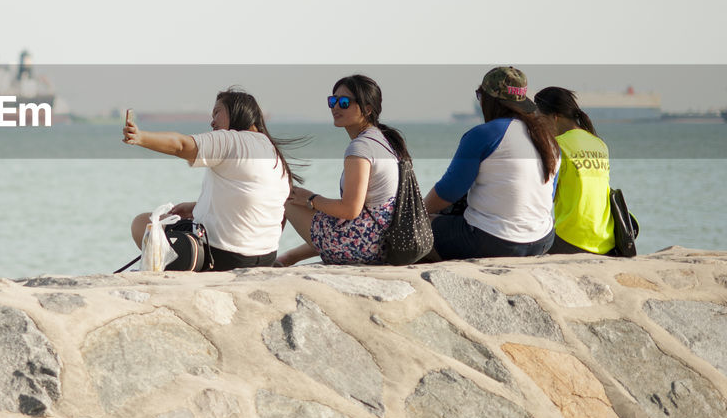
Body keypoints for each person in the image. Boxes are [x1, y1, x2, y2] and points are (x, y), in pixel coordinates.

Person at [124, 88, 297, 270]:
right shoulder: (273, 152)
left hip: (221, 257)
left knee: (143, 223)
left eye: (217, 113)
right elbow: (262, 203)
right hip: (266, 257)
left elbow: (181, 145)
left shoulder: (231, 140)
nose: (212, 122)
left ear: (236, 111)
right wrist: (196, 206)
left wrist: (140, 137)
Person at [424, 66, 558, 259]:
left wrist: (418, 214)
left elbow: (449, 191)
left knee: (417, 230)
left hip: (494, 241)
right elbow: (548, 195)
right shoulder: (549, 140)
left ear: (488, 100)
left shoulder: (484, 134)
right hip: (542, 240)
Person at [276, 74, 408, 266]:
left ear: (367, 109)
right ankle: (287, 257)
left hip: (363, 247)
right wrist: (313, 200)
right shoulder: (383, 140)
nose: (336, 107)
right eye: (333, 100)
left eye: (344, 102)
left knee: (284, 195)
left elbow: (350, 209)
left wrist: (311, 200)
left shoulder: (361, 148)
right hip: (379, 242)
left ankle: (261, 256)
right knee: (325, 216)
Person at [534, 86, 615, 255]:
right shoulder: (600, 144)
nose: (538, 125)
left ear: (554, 117)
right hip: (605, 241)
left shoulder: (556, 145)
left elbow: (543, 197)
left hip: (572, 240)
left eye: (539, 119)